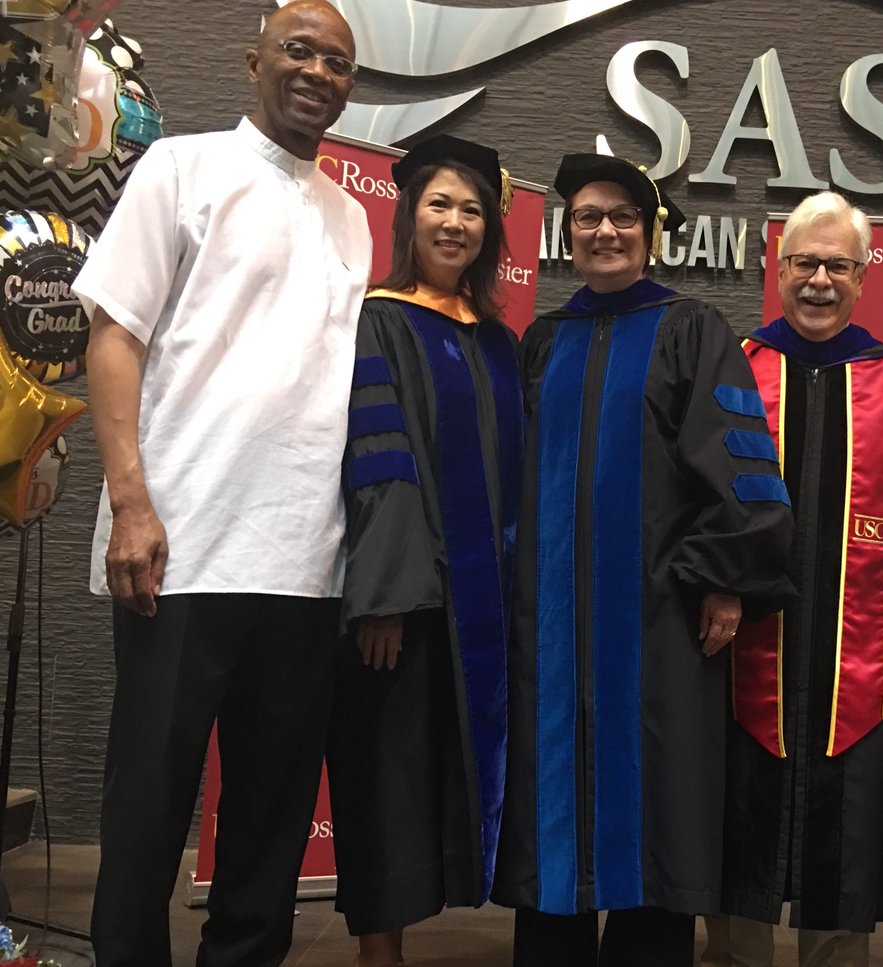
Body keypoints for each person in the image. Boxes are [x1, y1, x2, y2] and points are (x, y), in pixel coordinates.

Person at [73, 3, 371, 964]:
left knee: (269, 828)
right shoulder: (180, 168)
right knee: (147, 813)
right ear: (254, 63)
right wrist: (129, 503)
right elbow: (113, 332)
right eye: (298, 50)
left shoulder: (353, 217)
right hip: (182, 547)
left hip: (306, 564)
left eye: (335, 61)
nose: (316, 71)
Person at [491, 154, 796, 967]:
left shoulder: (691, 327)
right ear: (568, 232)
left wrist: (726, 574)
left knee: (655, 823)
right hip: (549, 629)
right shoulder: (542, 340)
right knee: (551, 832)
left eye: (624, 216)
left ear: (651, 232)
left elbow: (741, 463)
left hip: (658, 620)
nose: (605, 230)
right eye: (588, 216)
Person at [705, 191, 883, 967]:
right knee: (740, 823)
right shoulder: (733, 365)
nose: (820, 280)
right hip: (743, 650)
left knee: (849, 826)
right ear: (778, 266)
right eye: (806, 262)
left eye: (839, 265)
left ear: (865, 276)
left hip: (857, 651)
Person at [326, 134, 523, 967]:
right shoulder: (380, 317)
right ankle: (382, 950)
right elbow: (379, 457)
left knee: (450, 767)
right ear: (410, 216)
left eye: (472, 210)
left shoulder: (501, 340)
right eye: (440, 205)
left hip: (490, 603)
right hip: (410, 596)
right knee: (387, 772)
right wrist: (386, 594)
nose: (455, 223)